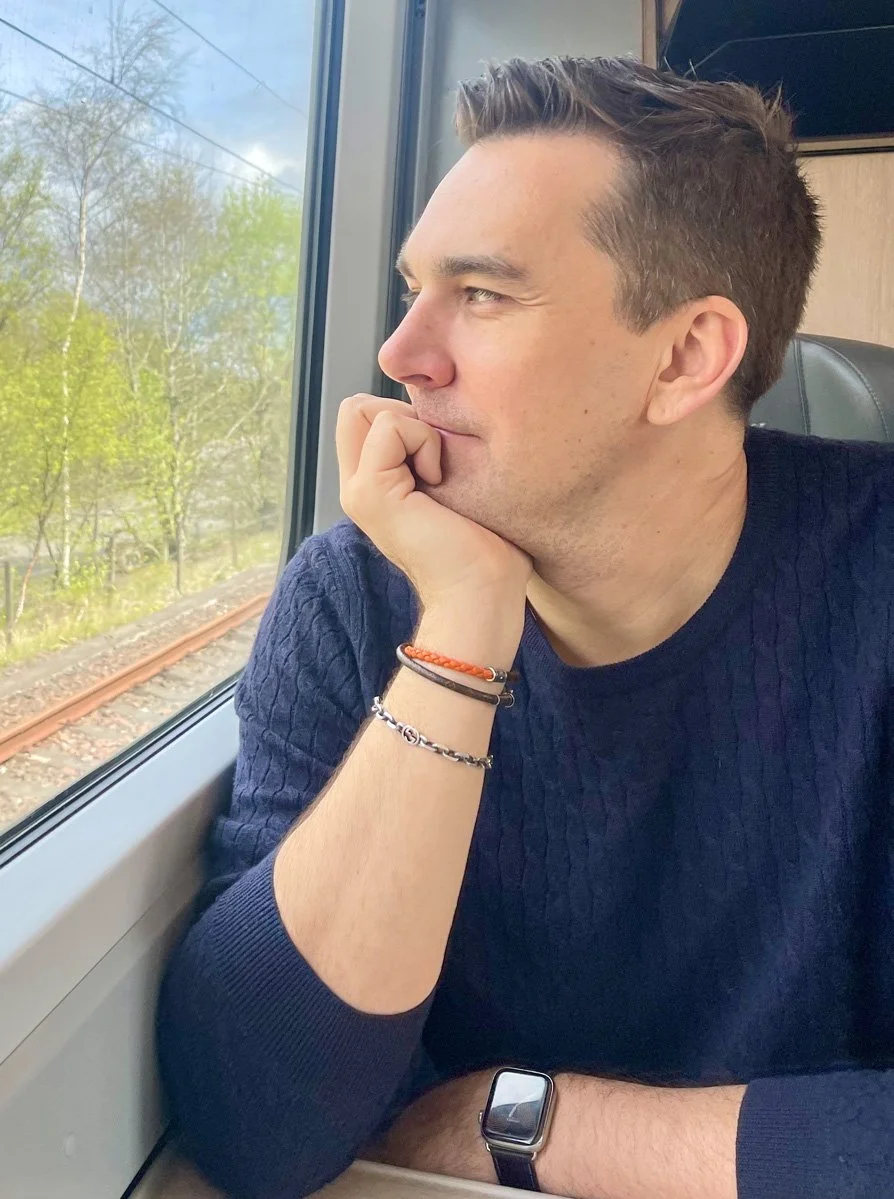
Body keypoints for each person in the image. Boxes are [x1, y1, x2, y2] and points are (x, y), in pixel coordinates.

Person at [157, 55, 894, 1199]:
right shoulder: (358, 594)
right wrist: (458, 634)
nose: (402, 353)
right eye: (413, 288)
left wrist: (532, 1122)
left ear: (687, 356)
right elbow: (256, 1119)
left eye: (484, 294)